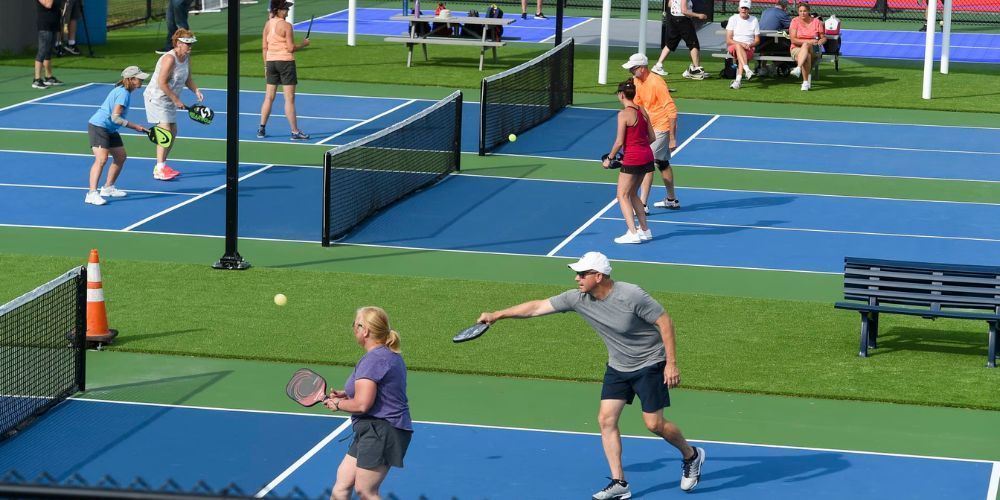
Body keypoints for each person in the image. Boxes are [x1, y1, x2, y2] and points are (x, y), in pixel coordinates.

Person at [476, 251, 706, 499]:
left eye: (582, 274)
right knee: (606, 420)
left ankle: (691, 455)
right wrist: (498, 314)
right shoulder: (577, 299)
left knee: (654, 424)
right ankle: (620, 483)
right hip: (618, 366)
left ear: (598, 276)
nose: (577, 278)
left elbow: (664, 322)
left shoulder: (631, 295)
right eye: (577, 274)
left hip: (649, 363)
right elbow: (536, 307)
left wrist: (671, 363)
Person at [325, 306, 413, 500]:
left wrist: (338, 405)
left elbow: (362, 405)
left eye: (355, 325)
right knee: (342, 484)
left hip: (382, 430)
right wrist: (346, 395)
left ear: (364, 330)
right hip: (372, 428)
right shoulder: (387, 355)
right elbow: (376, 394)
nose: (353, 329)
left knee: (366, 492)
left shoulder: (374, 360)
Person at [622, 53, 681, 212]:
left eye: (633, 69)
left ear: (642, 68)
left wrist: (672, 138)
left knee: (647, 162)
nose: (631, 72)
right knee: (662, 163)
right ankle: (671, 199)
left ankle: (642, 204)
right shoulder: (636, 81)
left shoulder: (657, 83)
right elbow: (639, 105)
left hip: (661, 126)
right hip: (649, 127)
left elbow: (672, 110)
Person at [144, 28, 204, 181]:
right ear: (178, 43)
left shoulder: (186, 58)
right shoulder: (169, 59)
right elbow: (161, 83)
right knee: (165, 132)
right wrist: (176, 100)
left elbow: (188, 79)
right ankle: (159, 169)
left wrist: (196, 90)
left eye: (191, 44)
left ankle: (162, 165)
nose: (190, 47)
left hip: (169, 99)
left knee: (173, 131)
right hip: (157, 98)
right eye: (187, 44)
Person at [85, 66, 150, 206]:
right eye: (139, 78)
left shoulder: (124, 91)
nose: (142, 81)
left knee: (120, 156)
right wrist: (136, 127)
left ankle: (108, 188)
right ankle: (91, 194)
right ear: (131, 79)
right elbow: (116, 118)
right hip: (99, 126)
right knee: (101, 159)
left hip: (110, 128)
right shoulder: (123, 94)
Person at [604, 79, 654, 245]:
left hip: (633, 158)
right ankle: (645, 230)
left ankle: (633, 233)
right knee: (632, 194)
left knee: (622, 195)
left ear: (621, 95)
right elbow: (652, 137)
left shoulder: (623, 114)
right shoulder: (642, 110)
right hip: (647, 156)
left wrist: (609, 159)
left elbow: (619, 142)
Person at [257, 0, 311, 141]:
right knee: (289, 99)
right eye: (285, 9)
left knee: (269, 97)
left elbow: (264, 47)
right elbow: (291, 48)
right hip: (286, 63)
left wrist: (265, 66)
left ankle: (261, 129)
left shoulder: (268, 24)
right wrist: (304, 44)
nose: (288, 11)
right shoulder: (286, 26)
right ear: (278, 10)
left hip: (271, 63)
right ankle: (294, 132)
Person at [650, 0, 707, 80]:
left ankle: (658, 66)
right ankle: (696, 69)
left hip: (674, 19)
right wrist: (698, 15)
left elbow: (670, 4)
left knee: (670, 44)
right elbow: (684, 11)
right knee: (693, 44)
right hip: (683, 20)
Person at [788, 3, 825, 91]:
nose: (802, 13)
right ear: (798, 12)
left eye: (804, 11)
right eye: (800, 11)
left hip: (814, 48)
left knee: (806, 46)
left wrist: (820, 41)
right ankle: (805, 83)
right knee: (806, 55)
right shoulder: (794, 21)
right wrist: (809, 42)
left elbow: (823, 38)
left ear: (808, 11)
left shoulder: (817, 22)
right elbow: (793, 40)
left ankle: (798, 68)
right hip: (796, 48)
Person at [725, 0, 760, 89]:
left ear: (749, 10)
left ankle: (738, 80)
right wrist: (741, 44)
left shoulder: (754, 20)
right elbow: (728, 40)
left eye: (746, 8)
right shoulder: (733, 18)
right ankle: (747, 70)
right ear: (739, 8)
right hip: (734, 46)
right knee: (738, 46)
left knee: (741, 55)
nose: (744, 10)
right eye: (742, 8)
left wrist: (750, 45)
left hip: (749, 48)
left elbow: (757, 40)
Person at [33, 0, 65, 89]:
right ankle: (36, 79)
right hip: (45, 25)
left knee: (48, 52)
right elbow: (48, 4)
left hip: (53, 25)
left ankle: (49, 77)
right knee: (42, 51)